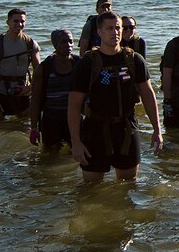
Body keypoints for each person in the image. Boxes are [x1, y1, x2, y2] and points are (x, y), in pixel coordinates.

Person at [68, 13, 161, 183]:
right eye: (109, 28)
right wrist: (76, 142)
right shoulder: (87, 63)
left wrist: (157, 129)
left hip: (126, 129)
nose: (115, 32)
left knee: (128, 186)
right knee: (91, 189)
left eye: (118, 28)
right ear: (99, 32)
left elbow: (148, 95)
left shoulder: (134, 60)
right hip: (94, 130)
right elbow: (74, 105)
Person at [0, 8, 40, 121]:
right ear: (8, 22)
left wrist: (29, 88)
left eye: (22, 21)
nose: (19, 24)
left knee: (24, 127)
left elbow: (39, 71)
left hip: (22, 92)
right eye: (15, 21)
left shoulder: (31, 44)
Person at [29, 30, 77, 151]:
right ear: (55, 44)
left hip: (74, 118)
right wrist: (34, 128)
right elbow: (35, 99)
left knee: (75, 155)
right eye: (64, 42)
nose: (68, 45)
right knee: (49, 156)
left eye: (71, 41)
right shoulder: (44, 67)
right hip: (51, 119)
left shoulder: (79, 64)